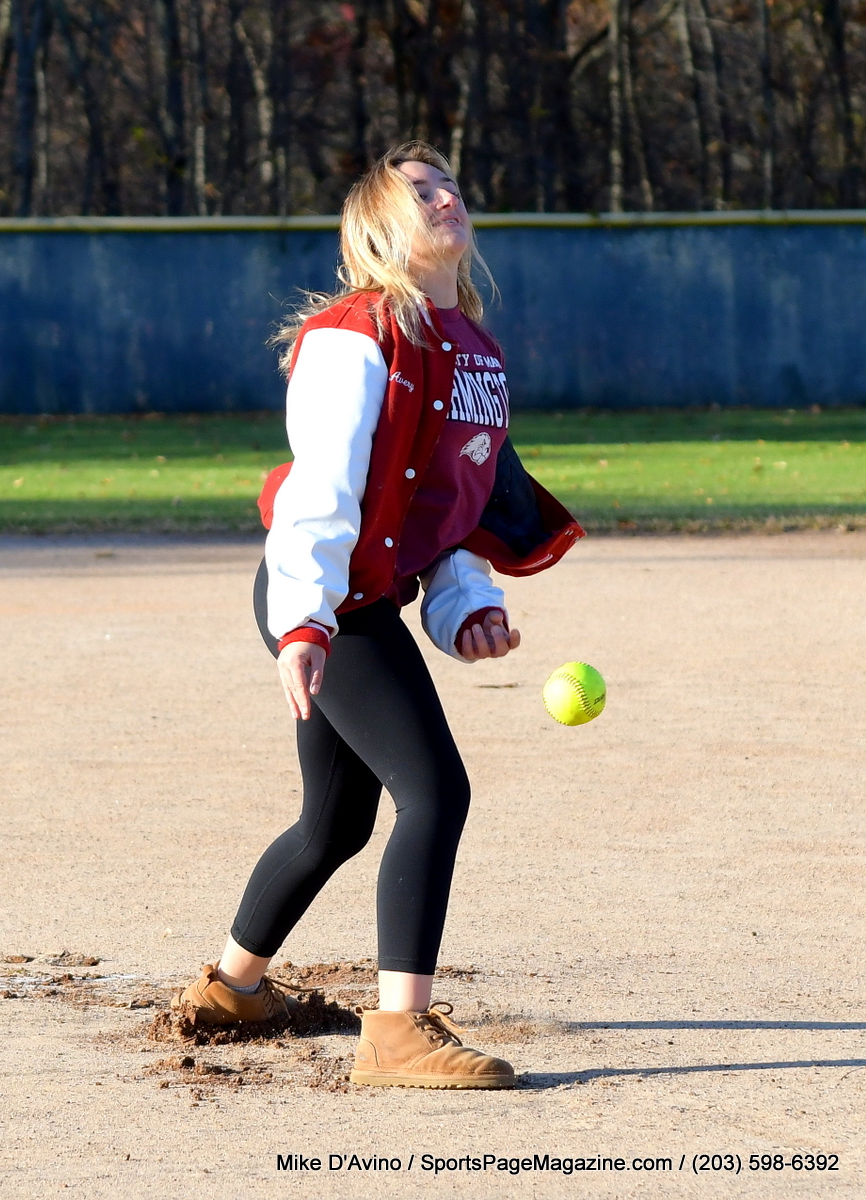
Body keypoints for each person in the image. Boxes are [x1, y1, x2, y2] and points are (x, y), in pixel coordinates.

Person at [174, 141, 583, 1089]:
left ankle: (231, 991)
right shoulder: (353, 337)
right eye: (419, 191)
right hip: (322, 598)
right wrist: (304, 624)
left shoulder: (473, 350)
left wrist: (469, 606)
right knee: (436, 792)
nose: (444, 197)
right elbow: (318, 494)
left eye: (449, 184)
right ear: (376, 230)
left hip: (358, 599)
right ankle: (397, 1033)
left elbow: (449, 510)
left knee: (333, 824)